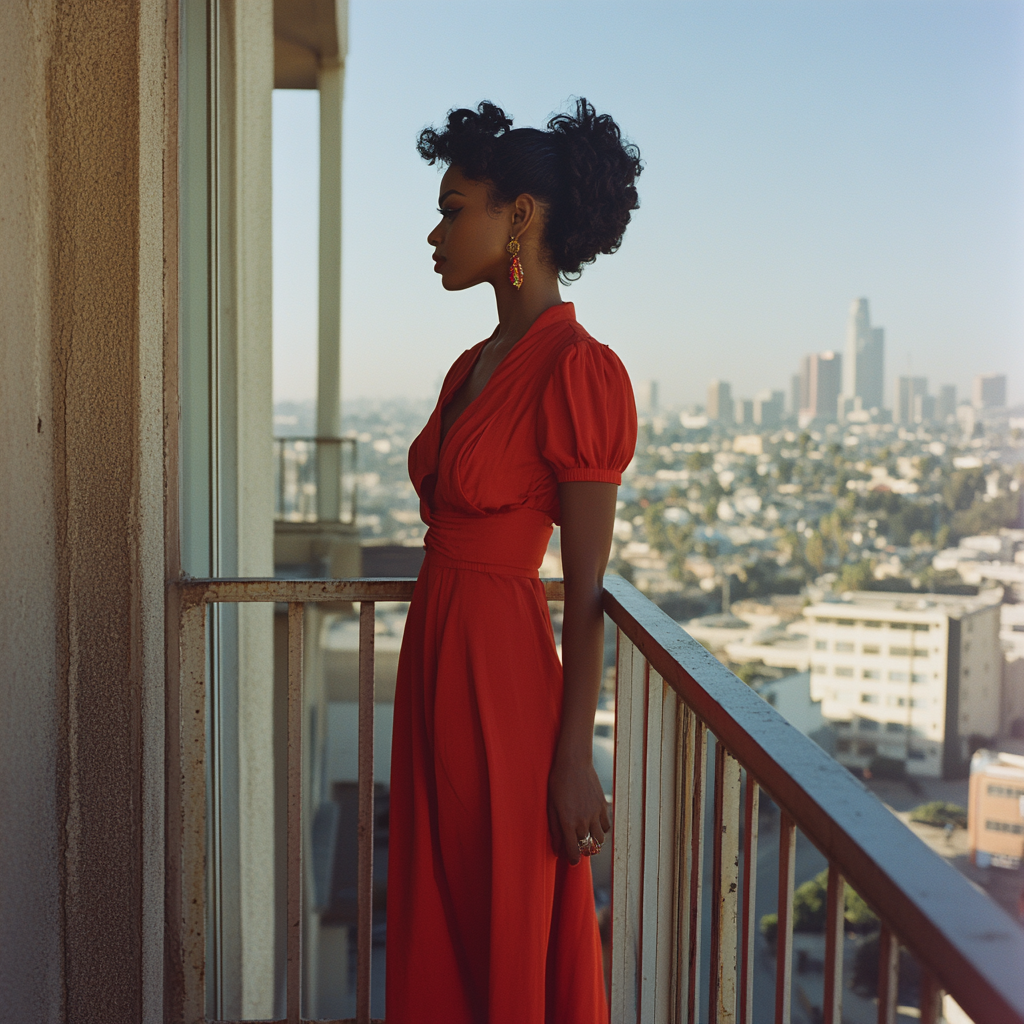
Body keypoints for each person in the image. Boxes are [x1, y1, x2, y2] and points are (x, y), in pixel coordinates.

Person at [386, 99, 642, 1024]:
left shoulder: (578, 368)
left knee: (508, 912)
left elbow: (585, 593)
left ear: (520, 216)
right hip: (435, 663)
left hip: (505, 683)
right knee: (440, 906)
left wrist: (575, 755)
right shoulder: (470, 366)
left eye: (455, 209)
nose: (435, 232)